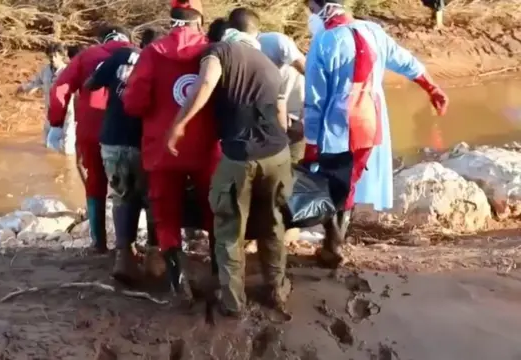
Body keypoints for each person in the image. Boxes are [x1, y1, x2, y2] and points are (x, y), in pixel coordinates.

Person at [302, 0, 449, 267]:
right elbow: (407, 62)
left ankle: (332, 246)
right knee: (351, 180)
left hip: (338, 125)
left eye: (310, 9)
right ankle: (335, 241)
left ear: (319, 8)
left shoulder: (323, 41)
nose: (309, 14)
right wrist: (432, 88)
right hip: (371, 121)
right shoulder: (373, 31)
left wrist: (311, 143)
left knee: (332, 182)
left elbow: (314, 99)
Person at [167, 25, 294, 318]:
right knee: (273, 222)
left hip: (239, 157)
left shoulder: (219, 51)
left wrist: (179, 124)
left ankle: (233, 302)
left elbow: (206, 83)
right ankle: (276, 288)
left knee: (229, 228)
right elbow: (281, 117)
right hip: (278, 154)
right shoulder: (269, 63)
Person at [122, 2, 220, 303]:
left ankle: (178, 281)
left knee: (166, 214)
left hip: (163, 146)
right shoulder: (214, 50)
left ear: (171, 21)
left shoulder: (153, 52)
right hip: (206, 145)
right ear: (200, 21)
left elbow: (134, 103)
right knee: (215, 208)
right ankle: (219, 275)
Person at [84, 32, 163, 282]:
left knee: (122, 196)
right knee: (153, 198)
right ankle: (154, 256)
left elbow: (90, 84)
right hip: (146, 142)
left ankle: (124, 257)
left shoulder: (121, 56)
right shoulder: (164, 63)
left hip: (113, 139)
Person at [48, 26, 133, 253]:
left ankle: (99, 242)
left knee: (95, 182)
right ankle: (126, 246)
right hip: (127, 132)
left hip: (91, 131)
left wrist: (56, 122)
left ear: (102, 39)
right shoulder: (138, 53)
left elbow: (60, 88)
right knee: (126, 188)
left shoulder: (87, 55)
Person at [228, 7, 307, 164]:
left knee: (292, 165)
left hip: (294, 113)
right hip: (267, 119)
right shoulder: (234, 50)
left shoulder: (274, 41)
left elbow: (304, 68)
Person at [16, 43, 76, 155]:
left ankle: (69, 163)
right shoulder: (45, 70)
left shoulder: (68, 71)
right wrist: (24, 88)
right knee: (47, 143)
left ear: (61, 56)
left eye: (55, 56)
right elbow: (35, 82)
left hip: (67, 112)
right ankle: (56, 168)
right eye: (50, 56)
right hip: (51, 111)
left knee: (68, 147)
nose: (52, 59)